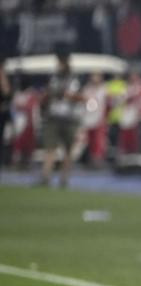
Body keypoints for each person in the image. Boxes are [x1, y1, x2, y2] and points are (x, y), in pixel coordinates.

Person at [39, 52, 86, 187]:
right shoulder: (53, 78)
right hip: (53, 117)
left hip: (70, 118)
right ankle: (45, 178)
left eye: (60, 62)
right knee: (50, 148)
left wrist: (66, 95)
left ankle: (64, 179)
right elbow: (47, 95)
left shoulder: (75, 79)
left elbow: (82, 97)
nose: (58, 65)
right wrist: (46, 97)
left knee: (68, 150)